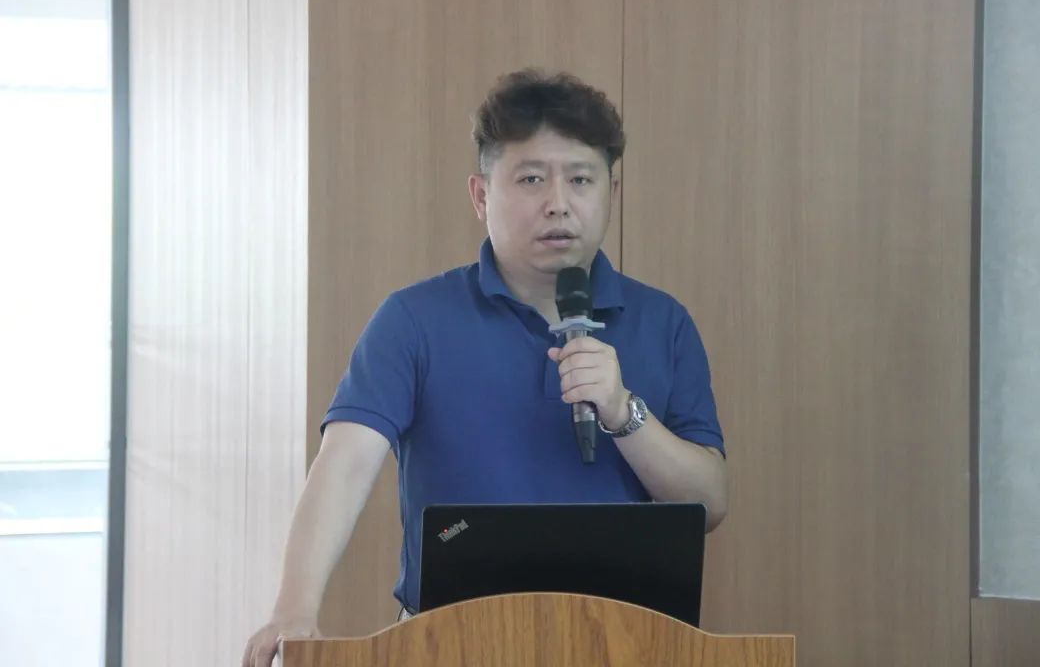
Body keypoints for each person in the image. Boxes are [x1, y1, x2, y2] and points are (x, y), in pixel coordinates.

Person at [242, 69, 729, 667]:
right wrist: (294, 608)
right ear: (480, 196)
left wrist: (623, 411)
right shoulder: (415, 319)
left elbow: (709, 503)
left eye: (581, 179)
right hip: (446, 643)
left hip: (623, 643)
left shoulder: (664, 322)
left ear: (612, 192)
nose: (559, 203)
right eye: (531, 179)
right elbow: (345, 463)